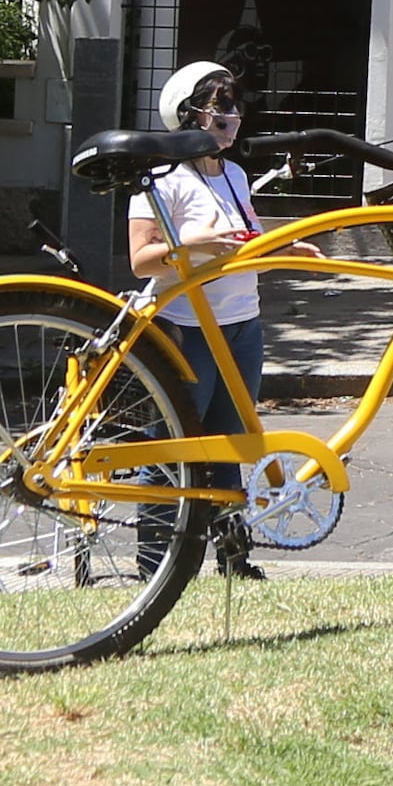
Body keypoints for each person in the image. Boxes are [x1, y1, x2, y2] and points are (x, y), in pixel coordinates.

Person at [125, 59, 279, 578]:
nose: (233, 119)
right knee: (173, 446)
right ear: (189, 116)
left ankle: (234, 560)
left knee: (230, 443)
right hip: (185, 326)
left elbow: (246, 238)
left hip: (242, 321)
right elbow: (140, 260)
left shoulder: (235, 174)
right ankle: (155, 568)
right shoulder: (163, 179)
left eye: (236, 107)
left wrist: (286, 245)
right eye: (222, 108)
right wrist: (188, 246)